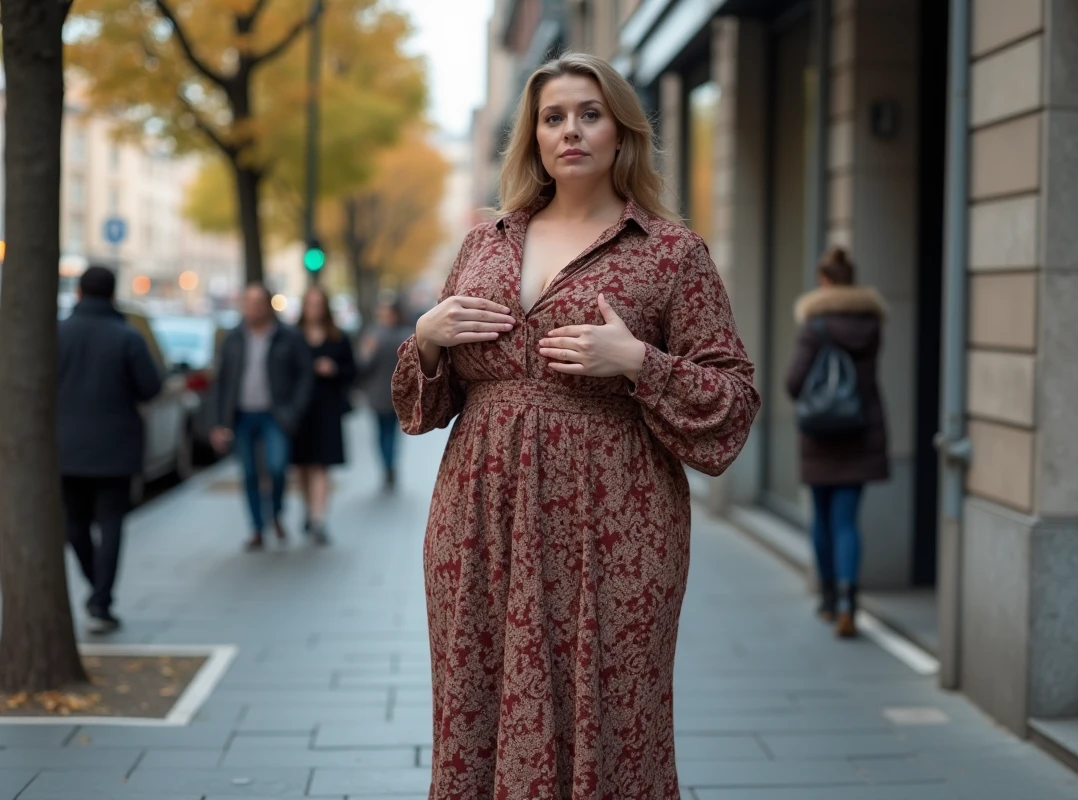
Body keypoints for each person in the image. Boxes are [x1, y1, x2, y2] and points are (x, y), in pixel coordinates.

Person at [392, 53, 760, 800]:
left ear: (621, 131)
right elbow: (421, 408)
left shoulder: (670, 252)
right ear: (532, 137)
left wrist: (638, 361)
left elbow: (734, 398)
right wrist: (426, 337)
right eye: (553, 117)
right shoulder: (484, 244)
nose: (570, 131)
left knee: (613, 713)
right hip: (480, 520)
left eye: (589, 114)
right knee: (477, 705)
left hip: (617, 525)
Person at [786, 247, 889, 639]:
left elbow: (793, 382)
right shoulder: (872, 323)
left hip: (820, 434)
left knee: (823, 519)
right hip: (861, 430)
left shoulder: (815, 325)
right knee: (847, 520)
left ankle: (828, 601)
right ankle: (849, 600)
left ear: (825, 281)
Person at [57, 265, 162, 633]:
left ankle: (95, 589)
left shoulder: (57, 333)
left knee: (75, 524)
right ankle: (101, 600)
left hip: (66, 447)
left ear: (79, 293)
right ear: (113, 294)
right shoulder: (128, 337)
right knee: (112, 522)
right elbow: (151, 388)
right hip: (117, 446)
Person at [211, 283, 313, 551]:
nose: (252, 307)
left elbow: (305, 375)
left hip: (275, 415)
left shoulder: (287, 336)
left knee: (277, 467)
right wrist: (219, 423)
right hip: (242, 415)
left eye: (257, 302)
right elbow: (220, 381)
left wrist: (294, 410)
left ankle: (276, 513)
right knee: (249, 473)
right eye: (247, 301)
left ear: (268, 305)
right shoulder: (233, 337)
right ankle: (257, 528)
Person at [292, 286, 356, 545]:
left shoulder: (338, 337)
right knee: (302, 466)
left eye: (319, 304)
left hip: (327, 408)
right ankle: (308, 510)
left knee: (321, 465)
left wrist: (334, 370)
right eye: (310, 304)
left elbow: (352, 371)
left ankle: (318, 519)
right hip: (300, 410)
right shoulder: (293, 337)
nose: (314, 309)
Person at [357, 297, 414, 492]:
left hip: (393, 394)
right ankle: (388, 466)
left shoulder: (402, 334)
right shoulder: (377, 334)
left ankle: (389, 466)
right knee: (384, 433)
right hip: (379, 393)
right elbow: (363, 366)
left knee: (388, 433)